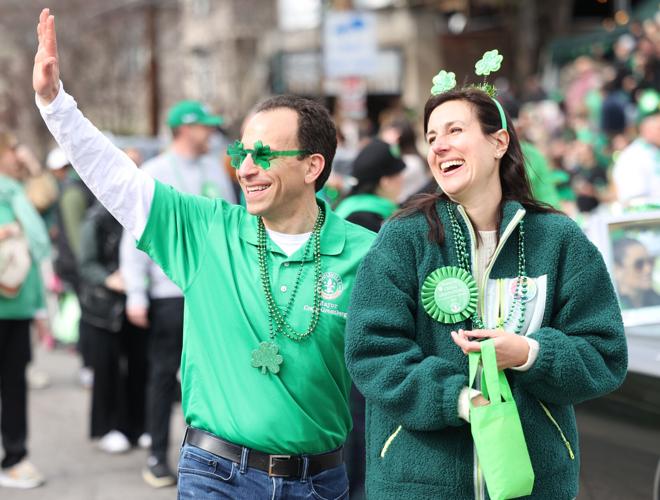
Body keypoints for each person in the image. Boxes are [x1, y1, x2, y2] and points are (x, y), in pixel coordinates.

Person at [33, 9, 375, 498]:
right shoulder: (207, 229)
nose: (246, 169)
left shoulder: (366, 252)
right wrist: (54, 103)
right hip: (216, 475)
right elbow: (119, 181)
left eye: (264, 156)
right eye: (241, 154)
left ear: (312, 166)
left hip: (319, 481)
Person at [345, 82, 628, 498]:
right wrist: (458, 398)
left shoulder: (558, 239)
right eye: (431, 137)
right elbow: (371, 351)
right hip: (419, 484)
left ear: (499, 142)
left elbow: (605, 353)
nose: (439, 146)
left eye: (455, 131)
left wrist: (531, 355)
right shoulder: (403, 239)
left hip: (534, 483)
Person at [119, 100, 237, 488]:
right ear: (186, 129)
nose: (212, 134)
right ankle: (157, 455)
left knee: (210, 376)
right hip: (168, 292)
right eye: (205, 127)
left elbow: (230, 227)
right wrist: (136, 291)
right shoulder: (153, 173)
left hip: (211, 292)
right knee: (163, 376)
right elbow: (134, 234)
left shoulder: (214, 172)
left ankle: (207, 459)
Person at [78, 200, 148, 454]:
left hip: (138, 300)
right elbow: (86, 263)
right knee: (107, 369)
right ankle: (108, 427)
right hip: (103, 307)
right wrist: (109, 279)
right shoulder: (96, 218)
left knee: (140, 367)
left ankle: (138, 426)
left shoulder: (142, 213)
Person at [0, 132, 49, 489]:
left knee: (14, 385)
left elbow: (47, 192)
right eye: (10, 150)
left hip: (17, 306)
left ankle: (15, 457)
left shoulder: (17, 191)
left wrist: (30, 165)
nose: (17, 155)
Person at [334, 138, 405, 232]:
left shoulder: (353, 204)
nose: (402, 179)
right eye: (399, 175)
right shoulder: (364, 220)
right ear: (385, 182)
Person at [612, 102, 660, 206]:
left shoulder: (655, 150)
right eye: (658, 128)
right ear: (644, 128)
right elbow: (635, 201)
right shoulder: (632, 157)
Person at [613, 237, 660, 309]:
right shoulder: (607, 308)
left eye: (651, 261)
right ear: (617, 270)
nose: (648, 269)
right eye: (639, 264)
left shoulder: (656, 301)